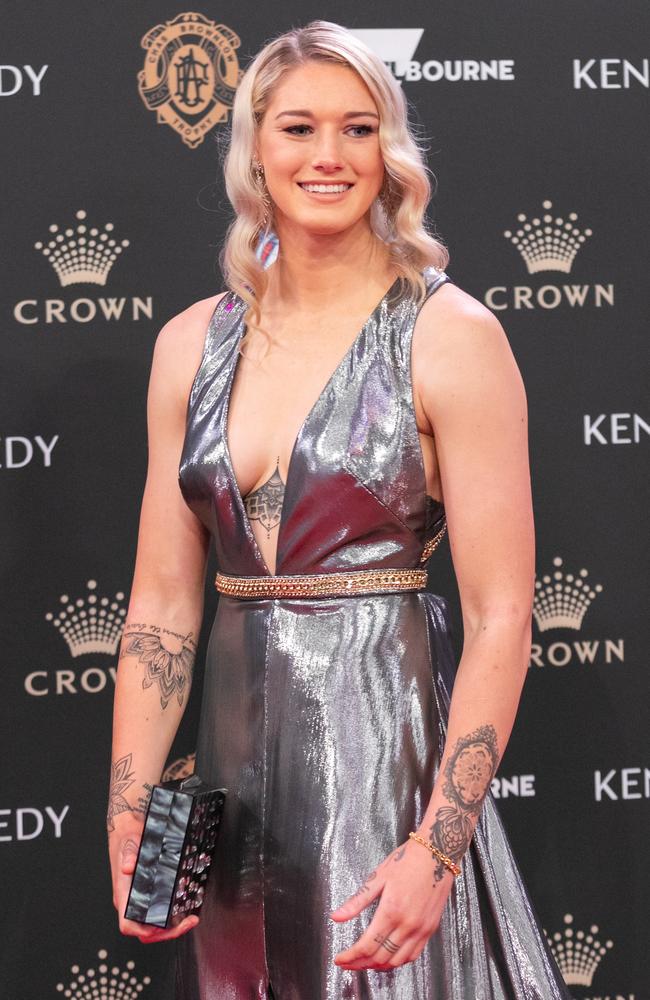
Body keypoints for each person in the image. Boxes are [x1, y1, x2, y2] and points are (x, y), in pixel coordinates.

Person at [107, 19, 571, 999]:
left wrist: (435, 849)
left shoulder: (450, 337)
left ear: (389, 152)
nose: (327, 156)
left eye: (357, 129)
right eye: (297, 128)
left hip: (385, 783)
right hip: (233, 807)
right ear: (254, 149)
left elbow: (498, 617)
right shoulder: (190, 344)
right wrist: (130, 810)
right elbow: (159, 606)